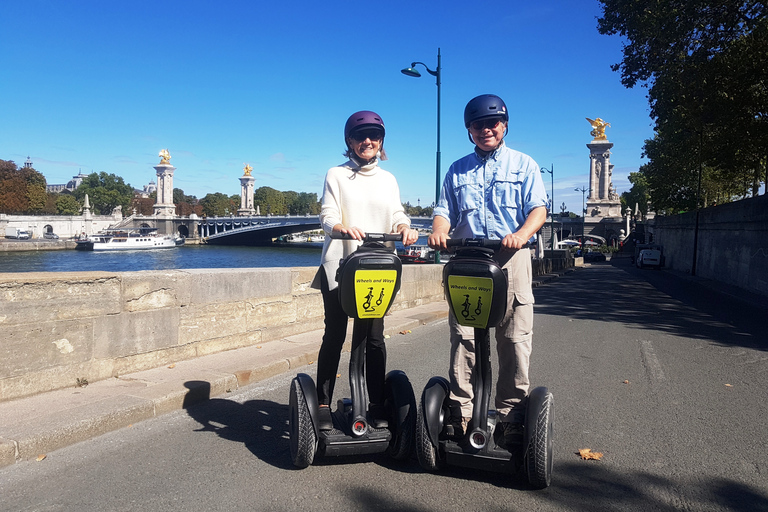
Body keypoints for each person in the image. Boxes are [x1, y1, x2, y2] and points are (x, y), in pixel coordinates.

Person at [427, 94, 548, 449]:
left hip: (511, 259)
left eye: (493, 123)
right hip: (467, 263)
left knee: (513, 340)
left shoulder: (524, 165)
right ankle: (462, 412)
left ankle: (511, 416)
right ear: (469, 130)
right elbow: (443, 209)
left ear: (505, 125)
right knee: (463, 338)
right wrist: (438, 229)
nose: (486, 130)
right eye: (478, 125)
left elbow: (538, 209)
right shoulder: (456, 169)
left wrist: (522, 235)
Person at [311, 110, 419, 430]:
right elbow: (327, 214)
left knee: (374, 338)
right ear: (350, 141)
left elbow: (397, 213)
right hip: (341, 263)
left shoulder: (389, 179)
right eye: (360, 136)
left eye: (374, 136)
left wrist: (405, 227)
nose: (367, 141)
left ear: (381, 140)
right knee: (335, 332)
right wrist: (340, 227)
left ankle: (375, 403)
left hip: (377, 267)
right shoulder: (336, 174)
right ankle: (322, 402)